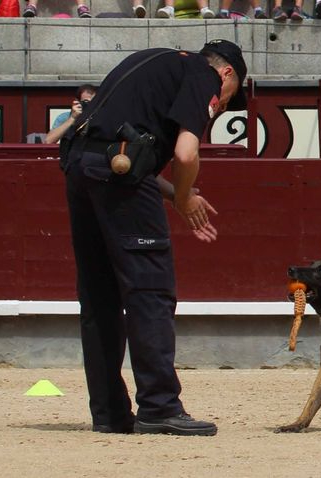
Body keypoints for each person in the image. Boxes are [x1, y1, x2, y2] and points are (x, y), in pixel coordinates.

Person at [59, 39, 248, 436]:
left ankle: (109, 413)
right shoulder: (205, 75)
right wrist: (182, 196)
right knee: (149, 292)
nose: (225, 105)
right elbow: (184, 153)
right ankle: (159, 407)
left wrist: (176, 195)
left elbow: (119, 150)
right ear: (227, 73)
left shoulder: (150, 59)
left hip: (82, 170)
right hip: (118, 178)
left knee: (99, 297)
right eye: (230, 98)